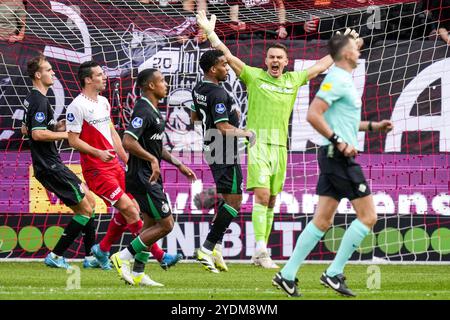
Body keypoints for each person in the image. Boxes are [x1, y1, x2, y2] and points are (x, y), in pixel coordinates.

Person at [196, 11, 362, 268]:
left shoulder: (293, 80)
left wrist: (340, 48)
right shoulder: (253, 76)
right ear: (266, 60)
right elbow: (226, 55)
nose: (275, 60)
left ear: (286, 61)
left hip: (281, 147)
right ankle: (261, 251)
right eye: (271, 57)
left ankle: (246, 249)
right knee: (261, 196)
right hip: (258, 144)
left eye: (279, 58)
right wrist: (210, 33)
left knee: (272, 199)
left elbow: (320, 66)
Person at [272, 33, 393, 297]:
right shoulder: (336, 79)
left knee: (322, 220)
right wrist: (338, 141)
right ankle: (333, 273)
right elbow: (313, 114)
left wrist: (374, 126)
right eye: (354, 48)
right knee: (369, 216)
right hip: (338, 157)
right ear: (346, 53)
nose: (359, 50)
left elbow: (346, 123)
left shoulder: (344, 79)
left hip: (333, 156)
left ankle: (287, 274)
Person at [66, 61, 182, 270]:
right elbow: (73, 140)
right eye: (99, 75)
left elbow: (113, 133)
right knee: (130, 209)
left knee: (133, 207)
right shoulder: (76, 106)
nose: (104, 77)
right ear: (88, 79)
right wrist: (97, 152)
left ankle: (102, 249)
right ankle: (160, 255)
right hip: (96, 170)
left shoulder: (103, 102)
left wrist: (127, 160)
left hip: (115, 166)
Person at [110, 68, 196, 286]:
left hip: (148, 175)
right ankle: (123, 257)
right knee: (166, 224)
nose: (165, 84)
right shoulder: (143, 110)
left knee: (149, 226)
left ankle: (138, 272)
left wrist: (178, 164)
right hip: (142, 177)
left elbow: (156, 147)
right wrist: (152, 160)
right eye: (162, 81)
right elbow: (128, 141)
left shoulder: (154, 110)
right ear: (150, 85)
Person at [23, 54, 97, 269]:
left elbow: (25, 129)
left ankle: (91, 257)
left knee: (89, 202)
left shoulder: (32, 99)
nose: (53, 72)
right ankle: (55, 256)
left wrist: (56, 127)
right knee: (85, 210)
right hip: (50, 165)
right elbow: (36, 134)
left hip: (49, 164)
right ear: (38, 75)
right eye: (48, 70)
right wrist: (68, 136)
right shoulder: (39, 100)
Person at [191, 49, 256, 273]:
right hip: (223, 150)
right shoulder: (218, 93)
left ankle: (216, 247)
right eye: (223, 65)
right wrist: (246, 133)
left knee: (228, 198)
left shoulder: (199, 88)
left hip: (211, 147)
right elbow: (223, 127)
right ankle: (207, 248)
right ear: (212, 69)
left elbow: (194, 117)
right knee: (235, 201)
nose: (227, 68)